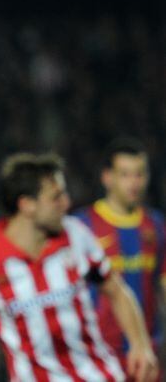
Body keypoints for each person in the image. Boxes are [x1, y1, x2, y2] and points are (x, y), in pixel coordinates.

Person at [0, 153, 158, 382]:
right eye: (56, 197)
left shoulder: (75, 235)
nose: (66, 202)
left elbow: (116, 289)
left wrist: (140, 344)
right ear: (27, 204)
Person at [74, 138, 166, 368]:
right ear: (107, 178)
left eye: (140, 174)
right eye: (125, 174)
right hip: (96, 354)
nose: (134, 183)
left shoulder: (155, 226)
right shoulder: (81, 226)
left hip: (145, 354)